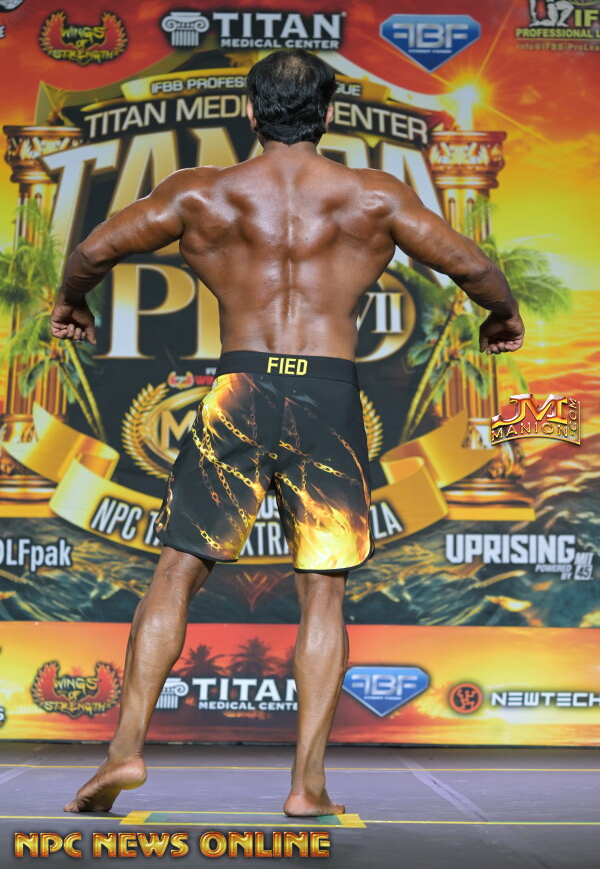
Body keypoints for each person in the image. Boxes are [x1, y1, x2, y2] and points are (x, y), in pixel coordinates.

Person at [50, 49, 524, 817]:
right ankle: (307, 786)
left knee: (177, 571)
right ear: (329, 114)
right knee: (323, 590)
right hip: (327, 396)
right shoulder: (373, 197)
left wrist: (73, 302)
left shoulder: (202, 194)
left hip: (239, 390)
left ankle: (124, 751)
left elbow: (94, 251)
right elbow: (471, 266)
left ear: (249, 112)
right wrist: (503, 315)